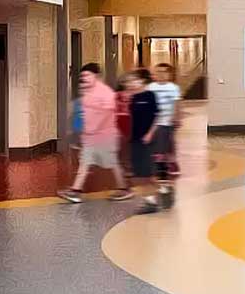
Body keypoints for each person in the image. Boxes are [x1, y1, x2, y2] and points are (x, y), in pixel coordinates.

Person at [58, 63, 132, 203]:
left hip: (105, 136)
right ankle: (75, 191)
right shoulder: (87, 92)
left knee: (112, 163)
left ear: (96, 76)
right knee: (85, 163)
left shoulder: (105, 92)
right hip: (91, 137)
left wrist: (94, 128)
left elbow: (107, 113)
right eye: (83, 76)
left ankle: (125, 188)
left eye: (87, 75)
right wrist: (82, 133)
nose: (84, 78)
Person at [125, 69, 168, 214]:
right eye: (129, 81)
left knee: (144, 173)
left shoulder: (150, 96)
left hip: (148, 139)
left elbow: (156, 116)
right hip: (135, 139)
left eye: (133, 80)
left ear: (142, 81)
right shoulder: (133, 98)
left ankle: (151, 202)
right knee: (139, 173)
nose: (130, 83)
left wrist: (150, 133)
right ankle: (162, 190)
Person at [148, 63, 182, 202]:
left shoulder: (173, 88)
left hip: (166, 123)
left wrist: (177, 117)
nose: (161, 75)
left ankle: (163, 175)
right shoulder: (151, 87)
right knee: (158, 149)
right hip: (153, 124)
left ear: (169, 74)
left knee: (162, 149)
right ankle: (164, 169)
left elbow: (177, 104)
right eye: (158, 72)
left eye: (164, 72)